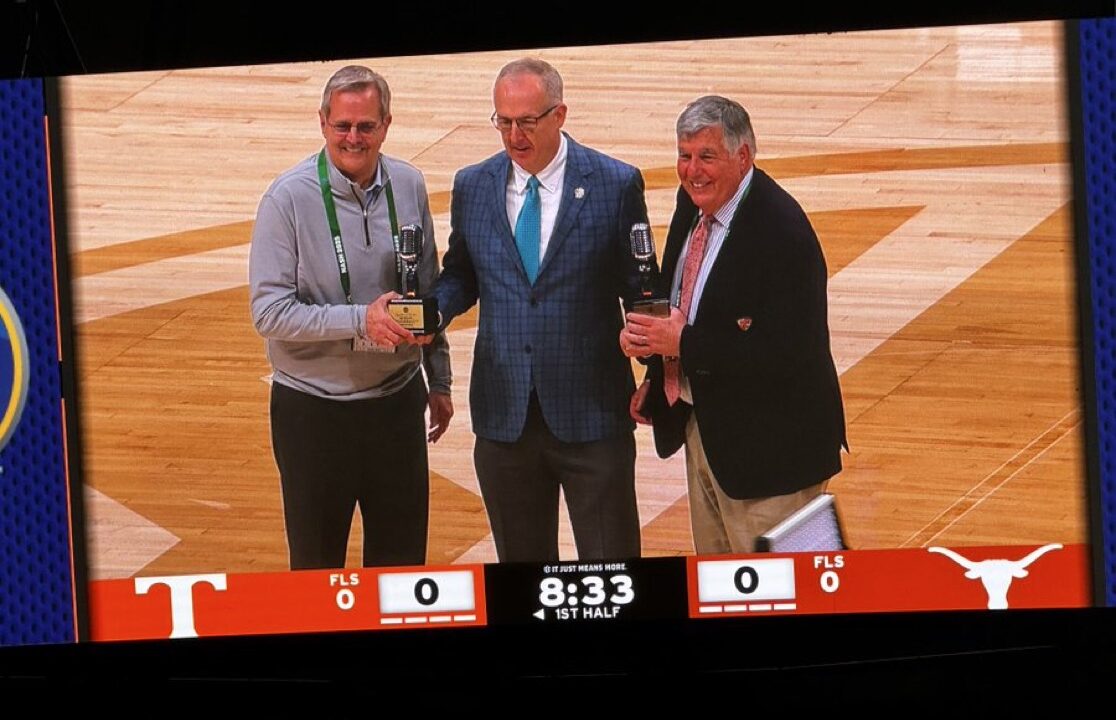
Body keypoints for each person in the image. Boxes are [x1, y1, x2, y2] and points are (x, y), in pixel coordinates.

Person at [429, 58, 650, 562]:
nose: (513, 135)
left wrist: (657, 372)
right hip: (504, 417)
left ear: (559, 114)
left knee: (613, 575)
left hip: (592, 418)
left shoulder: (614, 185)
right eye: (503, 121)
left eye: (526, 121)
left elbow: (641, 291)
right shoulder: (473, 185)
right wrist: (431, 314)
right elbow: (461, 273)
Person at [621, 95, 847, 555]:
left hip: (775, 457)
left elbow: (786, 356)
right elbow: (685, 304)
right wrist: (658, 363)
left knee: (792, 598)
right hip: (707, 432)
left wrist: (681, 342)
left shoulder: (783, 233)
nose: (692, 170)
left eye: (707, 156)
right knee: (722, 593)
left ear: (743, 156)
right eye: (684, 156)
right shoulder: (695, 205)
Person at [249, 65, 453, 570]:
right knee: (318, 573)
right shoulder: (287, 198)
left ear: (386, 124)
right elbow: (269, 312)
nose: (353, 138)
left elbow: (426, 290)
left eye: (366, 126)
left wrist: (440, 380)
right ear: (322, 122)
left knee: (401, 570)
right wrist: (360, 319)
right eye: (342, 125)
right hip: (313, 414)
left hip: (396, 406)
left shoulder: (408, 184)